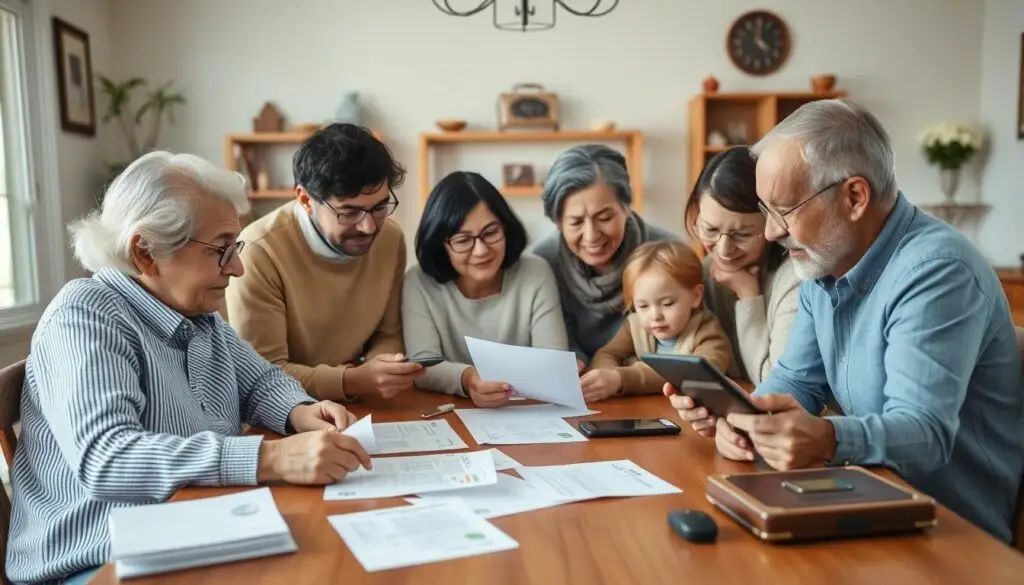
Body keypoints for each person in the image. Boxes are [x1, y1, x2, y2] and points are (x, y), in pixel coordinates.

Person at [7, 152, 372, 585]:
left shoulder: (200, 316)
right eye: (221, 250)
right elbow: (108, 458)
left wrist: (299, 411)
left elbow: (261, 381)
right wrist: (270, 456)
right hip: (97, 559)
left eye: (235, 248)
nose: (236, 268)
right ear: (146, 252)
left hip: (188, 528)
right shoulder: (86, 314)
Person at [668, 99, 1024, 543]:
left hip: (951, 533)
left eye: (784, 209)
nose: (771, 232)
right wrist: (742, 419)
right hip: (866, 500)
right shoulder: (826, 262)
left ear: (854, 196)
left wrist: (827, 439)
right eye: (766, 210)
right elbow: (797, 380)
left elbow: (926, 434)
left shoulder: (937, 271)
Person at [225, 123, 424, 403]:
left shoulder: (390, 239)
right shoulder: (259, 250)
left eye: (379, 207)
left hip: (363, 403)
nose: (368, 227)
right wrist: (353, 380)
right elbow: (261, 375)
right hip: (284, 412)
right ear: (305, 200)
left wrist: (383, 368)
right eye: (349, 212)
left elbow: (388, 334)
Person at [403, 171, 568, 407]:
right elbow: (423, 367)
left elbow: (553, 361)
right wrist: (468, 379)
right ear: (441, 245)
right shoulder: (418, 282)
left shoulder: (535, 272)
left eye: (491, 232)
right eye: (463, 240)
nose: (481, 250)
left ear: (506, 229)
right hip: (449, 412)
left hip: (528, 411)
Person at [533, 144, 676, 364]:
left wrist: (622, 376)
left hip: (650, 384)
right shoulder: (543, 263)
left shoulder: (668, 253)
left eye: (604, 218)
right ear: (558, 222)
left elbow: (687, 344)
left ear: (626, 208)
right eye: (576, 222)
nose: (591, 236)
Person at [685, 146, 799, 385]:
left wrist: (748, 295)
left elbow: (774, 384)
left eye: (742, 235)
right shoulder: (708, 269)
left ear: (774, 224)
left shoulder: (796, 277)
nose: (724, 250)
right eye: (710, 230)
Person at [587, 241, 731, 401]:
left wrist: (622, 378)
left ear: (695, 296)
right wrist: (609, 376)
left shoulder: (707, 332)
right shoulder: (635, 326)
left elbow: (697, 374)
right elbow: (606, 354)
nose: (655, 315)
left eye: (667, 303)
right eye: (642, 306)